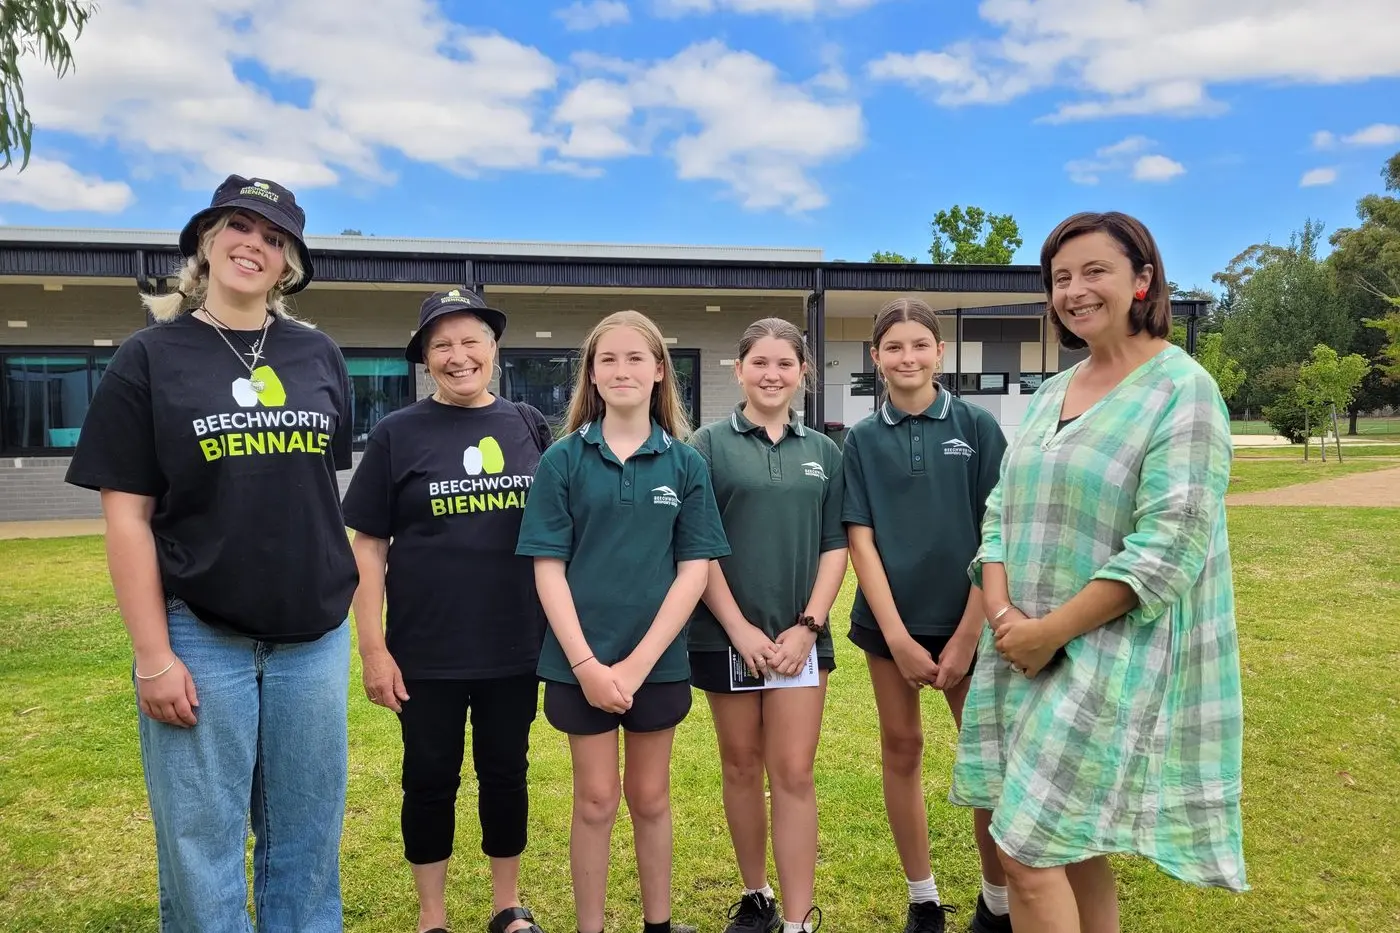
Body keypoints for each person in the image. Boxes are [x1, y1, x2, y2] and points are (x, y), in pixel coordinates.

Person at [64, 174, 358, 932]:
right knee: (201, 845)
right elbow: (126, 516)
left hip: (314, 638)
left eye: (272, 235)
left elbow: (314, 489)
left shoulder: (319, 354)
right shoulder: (151, 357)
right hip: (200, 633)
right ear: (205, 241)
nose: (252, 244)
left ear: (289, 261)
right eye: (237, 225)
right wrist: (152, 654)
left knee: (307, 840)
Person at [950, 211, 1247, 933]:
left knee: (1023, 847)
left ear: (1143, 280)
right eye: (1060, 278)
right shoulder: (1054, 391)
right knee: (1069, 840)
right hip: (1022, 646)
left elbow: (1167, 545)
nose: (1075, 290)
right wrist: (1003, 618)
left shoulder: (1184, 390)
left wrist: (1050, 631)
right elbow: (1000, 512)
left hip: (1108, 655)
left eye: (1094, 272)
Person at [341, 289, 555, 933]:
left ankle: (505, 907)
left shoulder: (527, 424)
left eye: (471, 342)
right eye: (442, 345)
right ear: (424, 358)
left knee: (505, 772)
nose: (458, 357)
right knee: (429, 779)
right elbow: (369, 548)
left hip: (514, 643)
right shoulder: (396, 434)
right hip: (425, 651)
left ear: (494, 349)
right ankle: (431, 917)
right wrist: (373, 650)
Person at [516, 310, 730, 933]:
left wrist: (636, 665)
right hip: (578, 663)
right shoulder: (562, 460)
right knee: (595, 800)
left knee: (651, 797)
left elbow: (694, 571)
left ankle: (657, 925)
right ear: (591, 373)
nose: (622, 370)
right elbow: (547, 569)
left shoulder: (686, 465)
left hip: (656, 664)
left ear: (660, 371)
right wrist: (587, 665)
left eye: (636, 358)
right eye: (607, 359)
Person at [841, 298, 1011, 933]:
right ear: (876, 357)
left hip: (972, 622)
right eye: (893, 347)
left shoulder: (977, 426)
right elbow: (860, 538)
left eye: (919, 345)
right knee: (902, 749)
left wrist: (969, 635)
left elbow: (997, 535)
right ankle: (923, 897)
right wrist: (897, 637)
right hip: (890, 626)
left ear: (940, 352)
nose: (907, 357)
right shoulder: (859, 439)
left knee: (985, 759)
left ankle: (996, 902)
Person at [687, 318, 847, 933]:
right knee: (740, 766)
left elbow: (837, 545)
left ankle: (802, 919)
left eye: (785, 364)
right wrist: (738, 629)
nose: (772, 374)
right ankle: (757, 897)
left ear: (802, 373)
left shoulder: (824, 452)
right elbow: (699, 545)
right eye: (760, 363)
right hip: (726, 636)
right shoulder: (705, 446)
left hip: (801, 639)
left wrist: (809, 625)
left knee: (794, 772)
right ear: (740, 369)